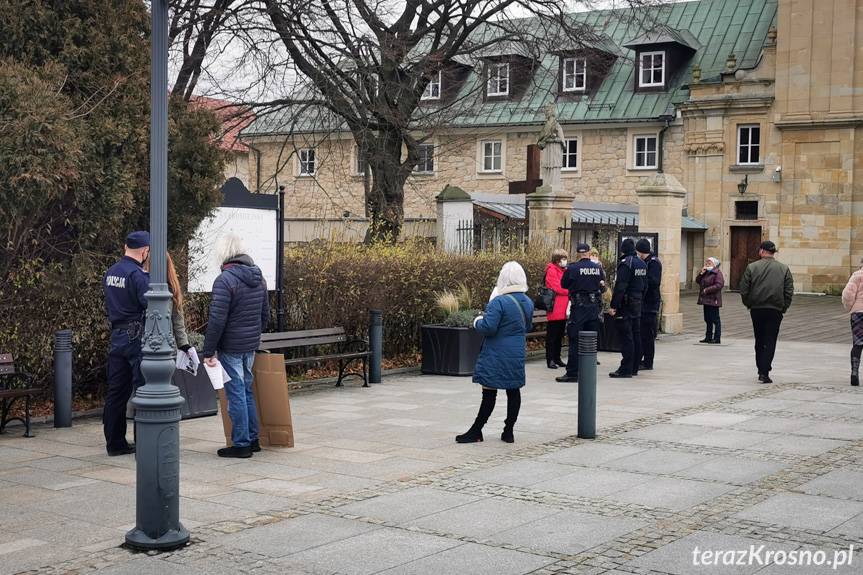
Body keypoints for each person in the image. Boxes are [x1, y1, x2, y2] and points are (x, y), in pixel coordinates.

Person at [202, 234, 270, 458]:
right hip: (249, 344)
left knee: (236, 393)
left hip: (231, 345)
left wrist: (209, 350)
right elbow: (265, 315)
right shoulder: (259, 277)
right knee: (246, 391)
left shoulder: (225, 280)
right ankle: (253, 440)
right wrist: (253, 335)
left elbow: (217, 320)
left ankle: (241, 444)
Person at [457, 262, 533, 444]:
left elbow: (489, 327)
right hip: (516, 352)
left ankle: (476, 431)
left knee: (489, 392)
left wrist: (477, 321)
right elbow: (527, 326)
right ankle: (508, 431)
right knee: (513, 390)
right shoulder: (527, 301)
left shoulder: (498, 301)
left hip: (496, 353)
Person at [102, 231, 150, 456]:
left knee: (116, 393)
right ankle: (144, 442)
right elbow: (149, 304)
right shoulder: (138, 275)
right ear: (145, 251)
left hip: (117, 336)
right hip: (135, 335)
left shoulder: (111, 272)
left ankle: (115, 443)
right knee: (143, 390)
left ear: (125, 246)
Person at [739, 240, 794, 384]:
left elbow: (744, 289)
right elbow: (788, 291)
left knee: (759, 338)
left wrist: (749, 303)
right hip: (775, 309)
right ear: (773, 252)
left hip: (757, 309)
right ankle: (765, 370)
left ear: (762, 251)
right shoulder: (784, 268)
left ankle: (761, 368)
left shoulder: (752, 267)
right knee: (770, 340)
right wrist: (784, 307)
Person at [556, 243, 604, 383]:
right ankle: (588, 370)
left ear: (577, 253)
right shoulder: (597, 268)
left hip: (579, 308)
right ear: (589, 252)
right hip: (593, 307)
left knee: (575, 339)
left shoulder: (573, 268)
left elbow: (564, 284)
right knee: (590, 340)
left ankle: (572, 373)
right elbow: (601, 284)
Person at [609, 238, 647, 378]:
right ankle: (634, 367)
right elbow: (645, 285)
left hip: (626, 305)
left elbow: (620, 287)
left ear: (623, 250)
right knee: (636, 335)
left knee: (626, 337)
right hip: (637, 303)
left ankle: (626, 368)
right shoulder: (641, 263)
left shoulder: (626, 264)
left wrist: (614, 305)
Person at [636, 239, 662, 370]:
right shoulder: (646, 262)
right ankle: (642, 358)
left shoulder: (653, 263)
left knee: (647, 334)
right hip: (645, 302)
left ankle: (648, 362)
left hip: (650, 303)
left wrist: (642, 281)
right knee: (642, 333)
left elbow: (654, 282)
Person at [544, 249, 570, 369]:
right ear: (557, 260)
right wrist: (569, 291)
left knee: (560, 335)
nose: (565, 261)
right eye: (563, 259)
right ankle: (550, 359)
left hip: (563, 307)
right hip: (555, 307)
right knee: (552, 336)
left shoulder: (564, 270)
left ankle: (557, 357)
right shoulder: (551, 270)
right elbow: (556, 287)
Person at [841, 257, 863, 386]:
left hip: (858, 313)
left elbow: (847, 295)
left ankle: (854, 372)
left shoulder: (857, 276)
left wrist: (850, 307)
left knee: (858, 343)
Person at [696, 257, 724, 344]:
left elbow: (719, 284)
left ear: (714, 264)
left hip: (713, 299)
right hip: (706, 300)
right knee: (707, 319)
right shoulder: (706, 273)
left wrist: (707, 290)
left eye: (709, 262)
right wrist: (701, 273)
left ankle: (717, 338)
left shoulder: (717, 273)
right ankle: (708, 337)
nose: (707, 264)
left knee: (715, 319)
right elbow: (697, 281)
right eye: (706, 262)